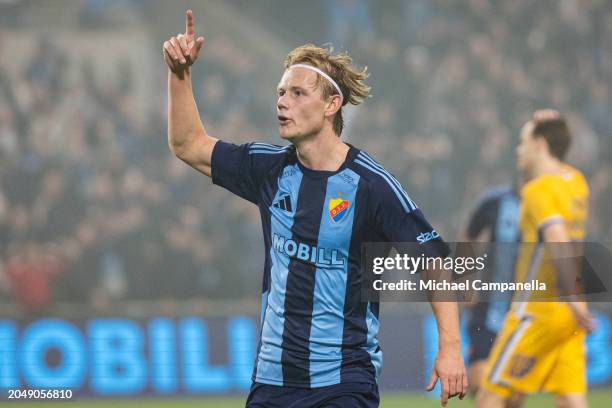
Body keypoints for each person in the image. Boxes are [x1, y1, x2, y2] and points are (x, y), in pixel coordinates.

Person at [163, 10, 467, 407]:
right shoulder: (268, 169)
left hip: (343, 381)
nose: (282, 103)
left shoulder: (371, 185)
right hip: (271, 381)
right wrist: (180, 74)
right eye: (280, 93)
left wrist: (450, 348)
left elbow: (436, 262)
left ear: (331, 104)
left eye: (297, 93)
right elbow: (188, 144)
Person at [476, 110, 596, 408]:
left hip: (536, 310)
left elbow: (556, 238)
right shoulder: (577, 182)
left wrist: (574, 297)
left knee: (490, 395)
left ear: (540, 144)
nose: (519, 150)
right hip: (567, 317)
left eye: (523, 142)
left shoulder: (537, 189)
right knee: (571, 398)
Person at [459, 182, 520, 398]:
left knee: (511, 397)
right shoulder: (495, 201)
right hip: (487, 309)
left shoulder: (548, 206)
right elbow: (468, 236)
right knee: (480, 385)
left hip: (524, 315)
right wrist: (466, 282)